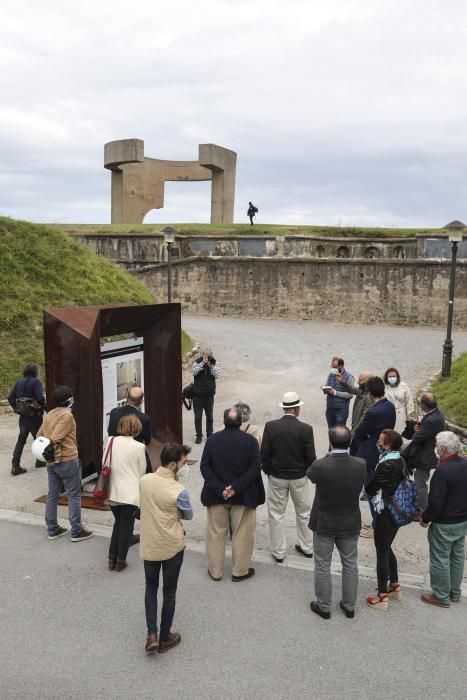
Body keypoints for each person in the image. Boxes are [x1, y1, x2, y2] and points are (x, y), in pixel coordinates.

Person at [307, 426, 366, 620]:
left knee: (323, 564)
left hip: (324, 521)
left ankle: (324, 605)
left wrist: (327, 455)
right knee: (350, 564)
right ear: (349, 442)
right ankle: (349, 605)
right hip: (350, 520)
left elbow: (310, 475)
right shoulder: (360, 464)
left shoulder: (320, 465)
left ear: (330, 442)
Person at [140, 443, 193, 654]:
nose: (186, 465)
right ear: (173, 465)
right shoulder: (179, 490)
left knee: (150, 587)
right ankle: (165, 636)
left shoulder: (145, 481)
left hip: (150, 542)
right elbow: (188, 515)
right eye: (183, 462)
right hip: (172, 545)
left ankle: (151, 633)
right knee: (169, 592)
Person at [200, 407, 264, 581]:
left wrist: (221, 488)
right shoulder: (250, 441)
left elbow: (205, 467)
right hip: (243, 495)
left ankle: (215, 571)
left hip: (216, 495)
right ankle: (239, 571)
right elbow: (255, 469)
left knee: (215, 533)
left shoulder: (213, 440)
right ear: (241, 421)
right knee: (242, 534)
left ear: (224, 420)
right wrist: (235, 487)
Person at [261, 391, 316, 563]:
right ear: (297, 409)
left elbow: (264, 454)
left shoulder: (271, 426)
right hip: (299, 476)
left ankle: (279, 552)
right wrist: (307, 473)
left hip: (277, 476)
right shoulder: (306, 429)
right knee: (304, 513)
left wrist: (269, 471)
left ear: (284, 409)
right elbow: (310, 457)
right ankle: (306, 547)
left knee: (276, 514)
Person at [37, 385, 93, 542]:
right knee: (74, 495)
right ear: (69, 400)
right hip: (67, 459)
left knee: (53, 494)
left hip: (51, 462)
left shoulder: (50, 414)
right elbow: (55, 438)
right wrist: (56, 450)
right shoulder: (67, 416)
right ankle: (76, 530)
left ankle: (53, 528)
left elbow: (40, 434)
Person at [420, 431, 467, 608]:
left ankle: (441, 595)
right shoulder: (465, 464)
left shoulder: (442, 470)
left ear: (442, 449)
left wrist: (425, 518)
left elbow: (435, 502)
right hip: (463, 520)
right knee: (457, 556)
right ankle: (454, 592)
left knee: (440, 558)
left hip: (445, 522)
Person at [365, 429, 405, 610]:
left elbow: (372, 487)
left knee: (381, 551)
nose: (378, 443)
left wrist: (368, 487)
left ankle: (382, 596)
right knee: (387, 547)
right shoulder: (400, 459)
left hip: (385, 512)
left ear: (387, 445)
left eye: (380, 440)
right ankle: (395, 585)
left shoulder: (386, 464)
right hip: (396, 511)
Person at [106, 415, 147, 572]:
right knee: (126, 526)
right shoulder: (139, 447)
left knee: (118, 523)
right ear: (137, 428)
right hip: (130, 492)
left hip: (112, 490)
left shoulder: (110, 441)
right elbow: (141, 473)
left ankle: (111, 558)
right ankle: (120, 561)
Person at [402, 393, 445, 512]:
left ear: (424, 405)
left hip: (426, 456)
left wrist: (416, 431)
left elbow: (418, 437)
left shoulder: (432, 419)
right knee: (419, 481)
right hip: (427, 453)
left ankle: (422, 509)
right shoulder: (435, 414)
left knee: (420, 482)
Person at [353, 377, 396, 491]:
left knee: (370, 476)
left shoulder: (372, 412)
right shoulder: (390, 406)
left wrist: (367, 436)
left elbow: (359, 432)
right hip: (386, 444)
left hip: (371, 449)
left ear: (370, 393)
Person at [8, 363, 46, 475]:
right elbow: (39, 398)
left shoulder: (19, 382)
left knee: (21, 439)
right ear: (35, 372)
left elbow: (10, 398)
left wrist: (18, 409)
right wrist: (46, 408)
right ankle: (39, 461)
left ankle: (15, 465)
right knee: (39, 438)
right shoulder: (36, 382)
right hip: (35, 416)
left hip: (24, 417)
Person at [336, 369, 374, 452]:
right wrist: (342, 382)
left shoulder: (369, 397)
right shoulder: (363, 391)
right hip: (356, 430)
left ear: (368, 382)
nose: (358, 382)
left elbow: (363, 418)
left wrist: (352, 435)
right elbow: (352, 389)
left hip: (360, 433)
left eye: (360, 380)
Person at [108, 386, 151, 450]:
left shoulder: (114, 412)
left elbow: (110, 432)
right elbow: (147, 442)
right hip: (134, 451)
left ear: (127, 398)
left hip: (116, 450)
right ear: (141, 401)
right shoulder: (144, 419)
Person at [192, 346, 220, 444]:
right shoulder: (197, 362)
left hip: (209, 395)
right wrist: (203, 363)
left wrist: (210, 365)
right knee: (198, 416)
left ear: (211, 355)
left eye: (208, 355)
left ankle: (210, 435)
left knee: (210, 416)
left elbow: (217, 375)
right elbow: (194, 372)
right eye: (205, 355)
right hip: (198, 395)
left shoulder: (214, 362)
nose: (206, 357)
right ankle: (199, 436)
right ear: (202, 354)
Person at [322, 357, 354, 428]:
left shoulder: (349, 377)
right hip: (330, 409)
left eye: (335, 367)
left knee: (340, 432)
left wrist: (335, 392)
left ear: (341, 366)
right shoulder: (331, 374)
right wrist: (325, 389)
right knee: (331, 432)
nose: (333, 369)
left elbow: (350, 395)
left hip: (341, 411)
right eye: (332, 367)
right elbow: (327, 385)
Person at [383, 368, 415, 434]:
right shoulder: (384, 388)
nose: (392, 378)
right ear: (387, 377)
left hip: (401, 415)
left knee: (402, 434)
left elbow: (409, 403)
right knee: (389, 434)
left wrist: (410, 418)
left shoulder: (404, 386)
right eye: (390, 376)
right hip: (388, 415)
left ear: (397, 377)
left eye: (394, 376)